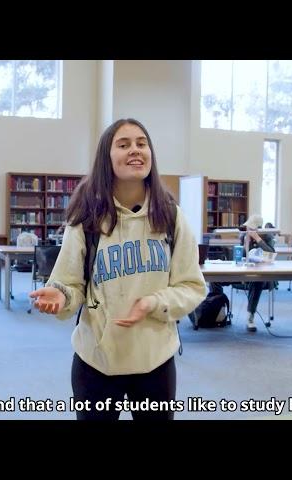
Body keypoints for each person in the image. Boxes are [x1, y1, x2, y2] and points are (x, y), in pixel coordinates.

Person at [29, 118, 207, 420]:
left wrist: (154, 302)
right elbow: (69, 284)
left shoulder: (171, 216)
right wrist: (61, 297)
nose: (135, 150)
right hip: (97, 360)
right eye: (123, 145)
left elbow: (192, 286)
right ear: (106, 157)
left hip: (155, 360)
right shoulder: (87, 217)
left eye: (142, 143)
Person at [239, 214, 275, 332]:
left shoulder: (267, 236)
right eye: (248, 228)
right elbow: (241, 257)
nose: (249, 230)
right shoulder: (244, 236)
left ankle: (250, 316)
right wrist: (246, 243)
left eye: (252, 228)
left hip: (263, 275)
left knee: (257, 280)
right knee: (217, 280)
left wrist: (258, 239)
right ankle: (217, 310)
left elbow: (271, 254)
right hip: (244, 273)